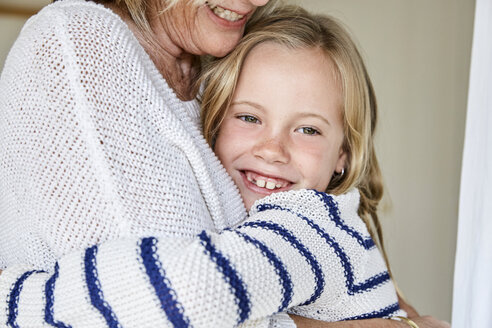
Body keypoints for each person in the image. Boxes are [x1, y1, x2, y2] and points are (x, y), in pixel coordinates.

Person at [0, 0, 449, 327]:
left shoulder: (312, 227)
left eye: (308, 129)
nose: (273, 149)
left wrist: (12, 298)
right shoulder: (79, 43)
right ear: (215, 121)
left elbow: (186, 294)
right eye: (249, 118)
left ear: (343, 156)